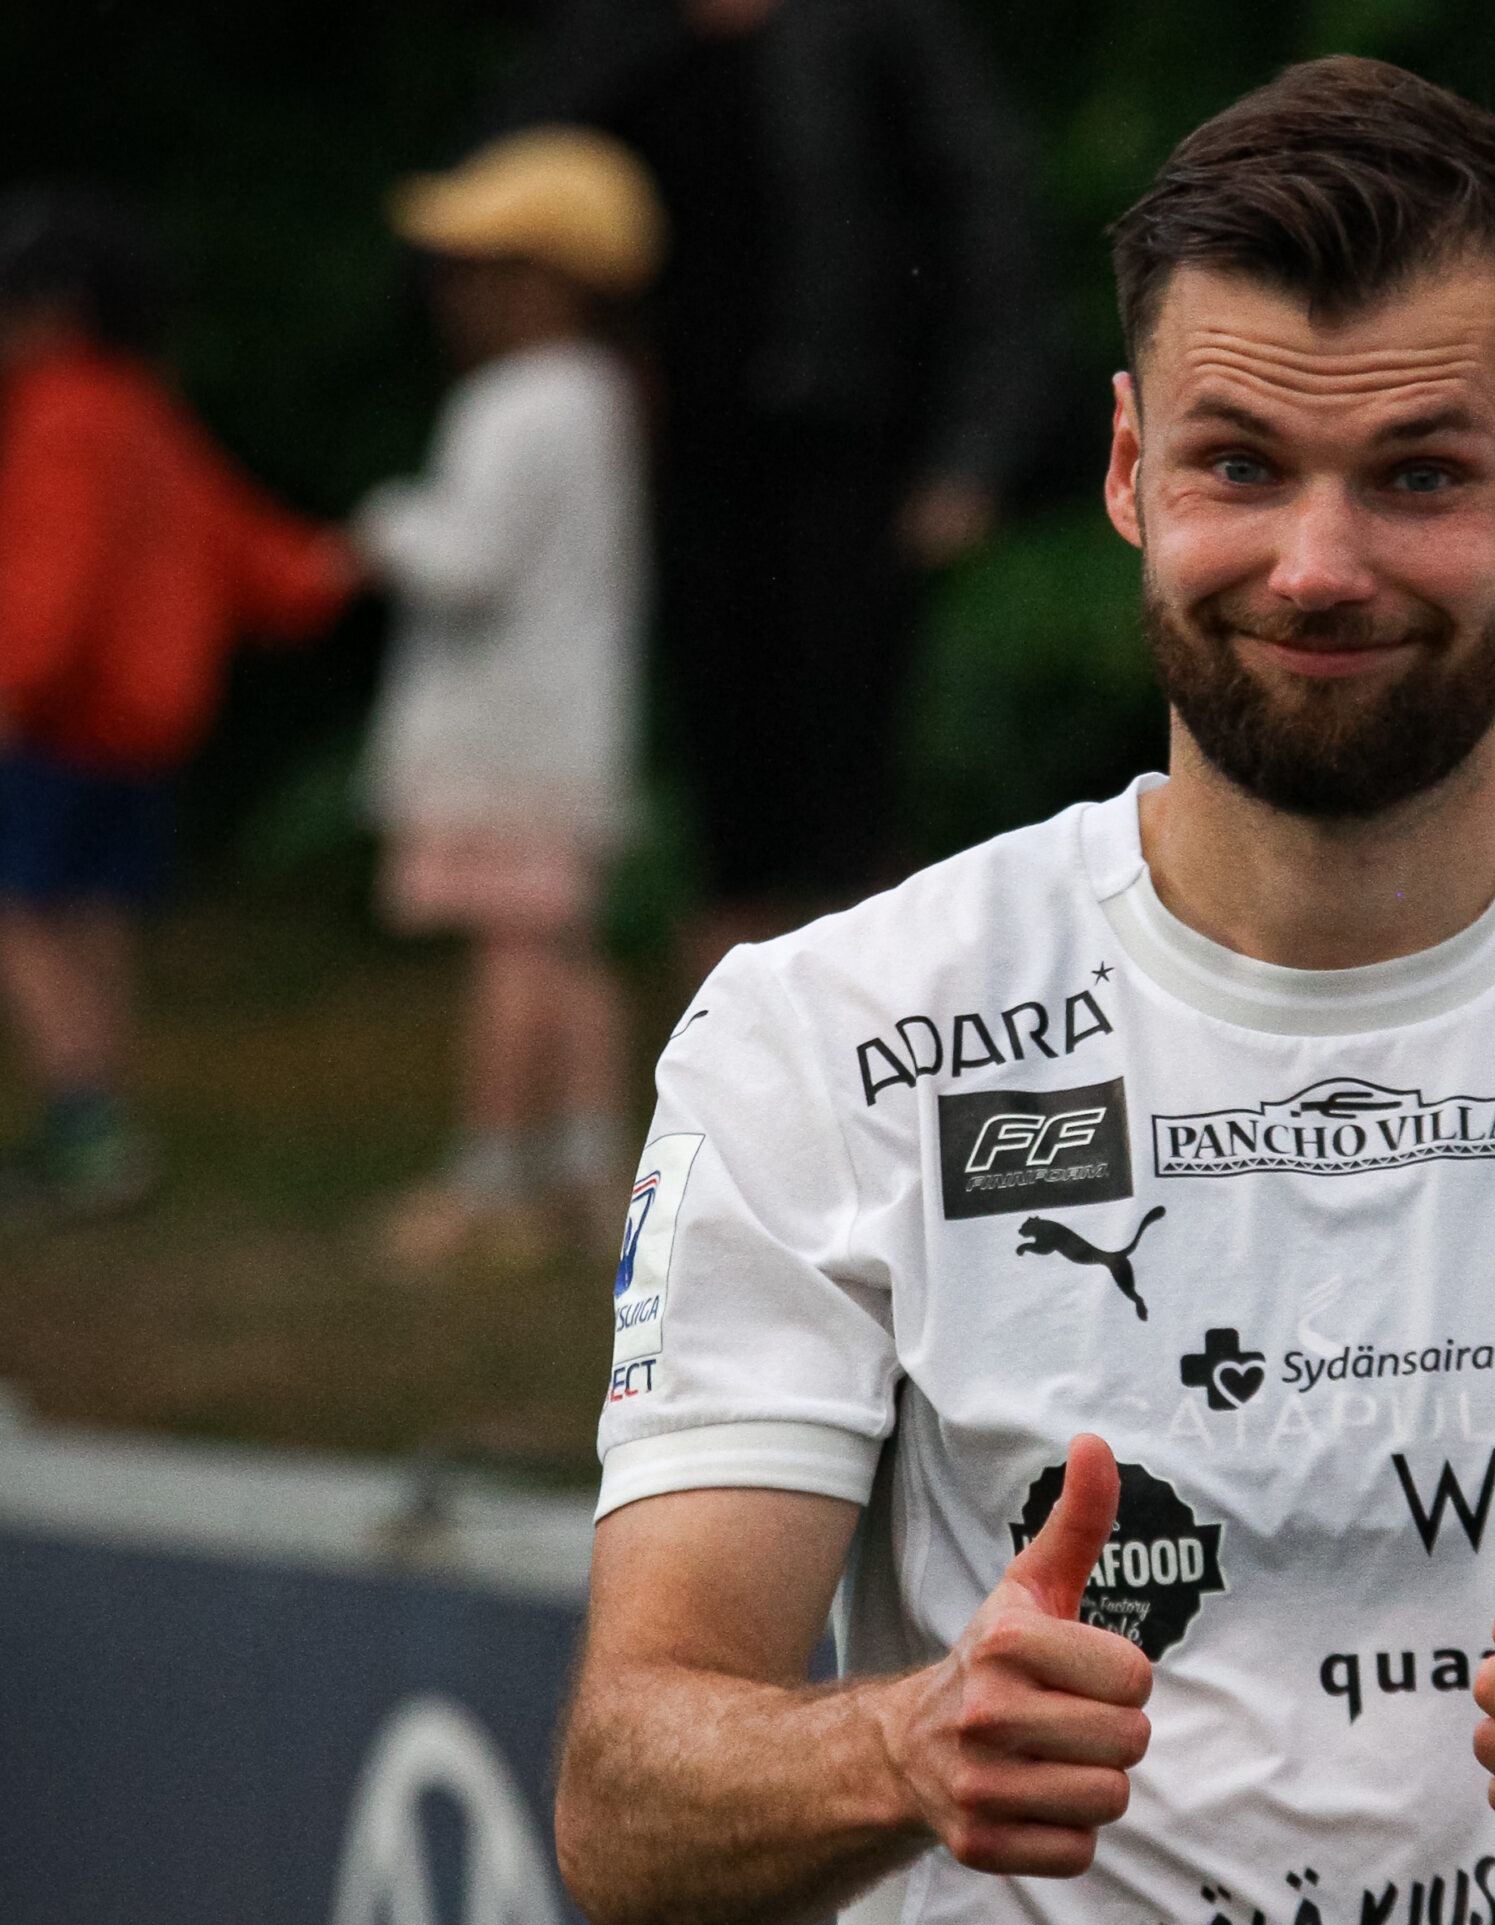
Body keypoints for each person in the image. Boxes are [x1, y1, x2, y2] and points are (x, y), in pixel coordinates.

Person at [557, 57, 1495, 1925]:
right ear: (1125, 471)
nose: (1318, 565)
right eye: (1239, 464)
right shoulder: (831, 1033)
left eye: (1418, 474)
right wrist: (897, 1744)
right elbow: (629, 1805)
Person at [523, 0, 1058, 975]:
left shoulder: (881, 28)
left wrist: (972, 452)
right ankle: (733, 1033)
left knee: (850, 762)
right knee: (721, 781)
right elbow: (520, 198)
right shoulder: (619, 40)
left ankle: (881, 1025)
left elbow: (988, 225)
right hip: (683, 463)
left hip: (854, 452)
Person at [0, 190, 356, 1225]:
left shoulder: (66, 413)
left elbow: (54, 578)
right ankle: (103, 1126)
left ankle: (82, 1127)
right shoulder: (148, 411)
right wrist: (332, 570)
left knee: (24, 917)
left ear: (57, 309)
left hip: (65, 718)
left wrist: (11, 683)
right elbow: (244, 543)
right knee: (95, 917)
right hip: (146, 729)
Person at [354, 129, 659, 1273]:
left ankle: (490, 1186)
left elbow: (468, 561)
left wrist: (388, 525)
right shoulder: (597, 395)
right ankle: (591, 1172)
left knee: (514, 955)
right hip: (569, 734)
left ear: (550, 280)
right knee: (565, 950)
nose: (455, 291)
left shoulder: (514, 403)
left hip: (504, 740)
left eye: (482, 268)